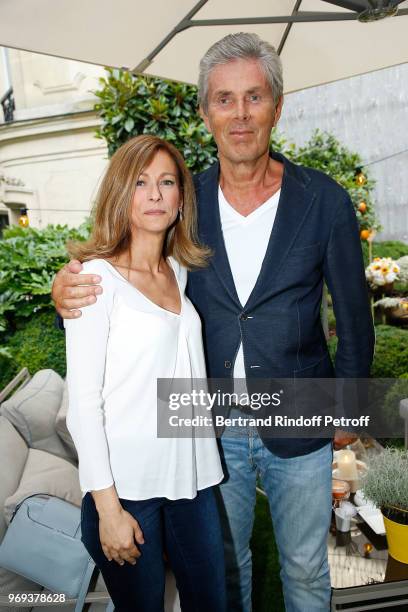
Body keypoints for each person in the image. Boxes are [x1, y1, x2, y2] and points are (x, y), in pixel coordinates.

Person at [53, 33, 375, 612]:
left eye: (254, 97)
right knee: (227, 570)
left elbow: (355, 322)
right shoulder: (183, 201)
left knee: (304, 570)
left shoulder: (323, 200)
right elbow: (129, 268)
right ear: (205, 113)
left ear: (278, 105)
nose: (241, 114)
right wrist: (68, 286)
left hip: (301, 419)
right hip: (208, 429)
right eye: (224, 100)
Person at [63, 134, 226, 612]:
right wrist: (108, 509)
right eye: (140, 182)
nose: (154, 194)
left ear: (180, 200)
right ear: (120, 194)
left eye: (166, 182)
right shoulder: (94, 282)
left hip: (191, 480)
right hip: (126, 492)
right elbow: (84, 406)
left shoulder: (179, 270)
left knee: (212, 603)